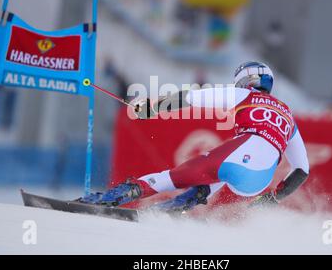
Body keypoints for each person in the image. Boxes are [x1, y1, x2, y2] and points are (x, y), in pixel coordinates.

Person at [80, 62, 310, 213]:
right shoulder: (288, 115)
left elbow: (192, 97)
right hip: (258, 183)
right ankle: (186, 201)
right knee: (222, 169)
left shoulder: (243, 94)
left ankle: (116, 195)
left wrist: (150, 108)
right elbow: (302, 170)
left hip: (240, 154)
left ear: (247, 80)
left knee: (175, 176)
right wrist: (273, 199)